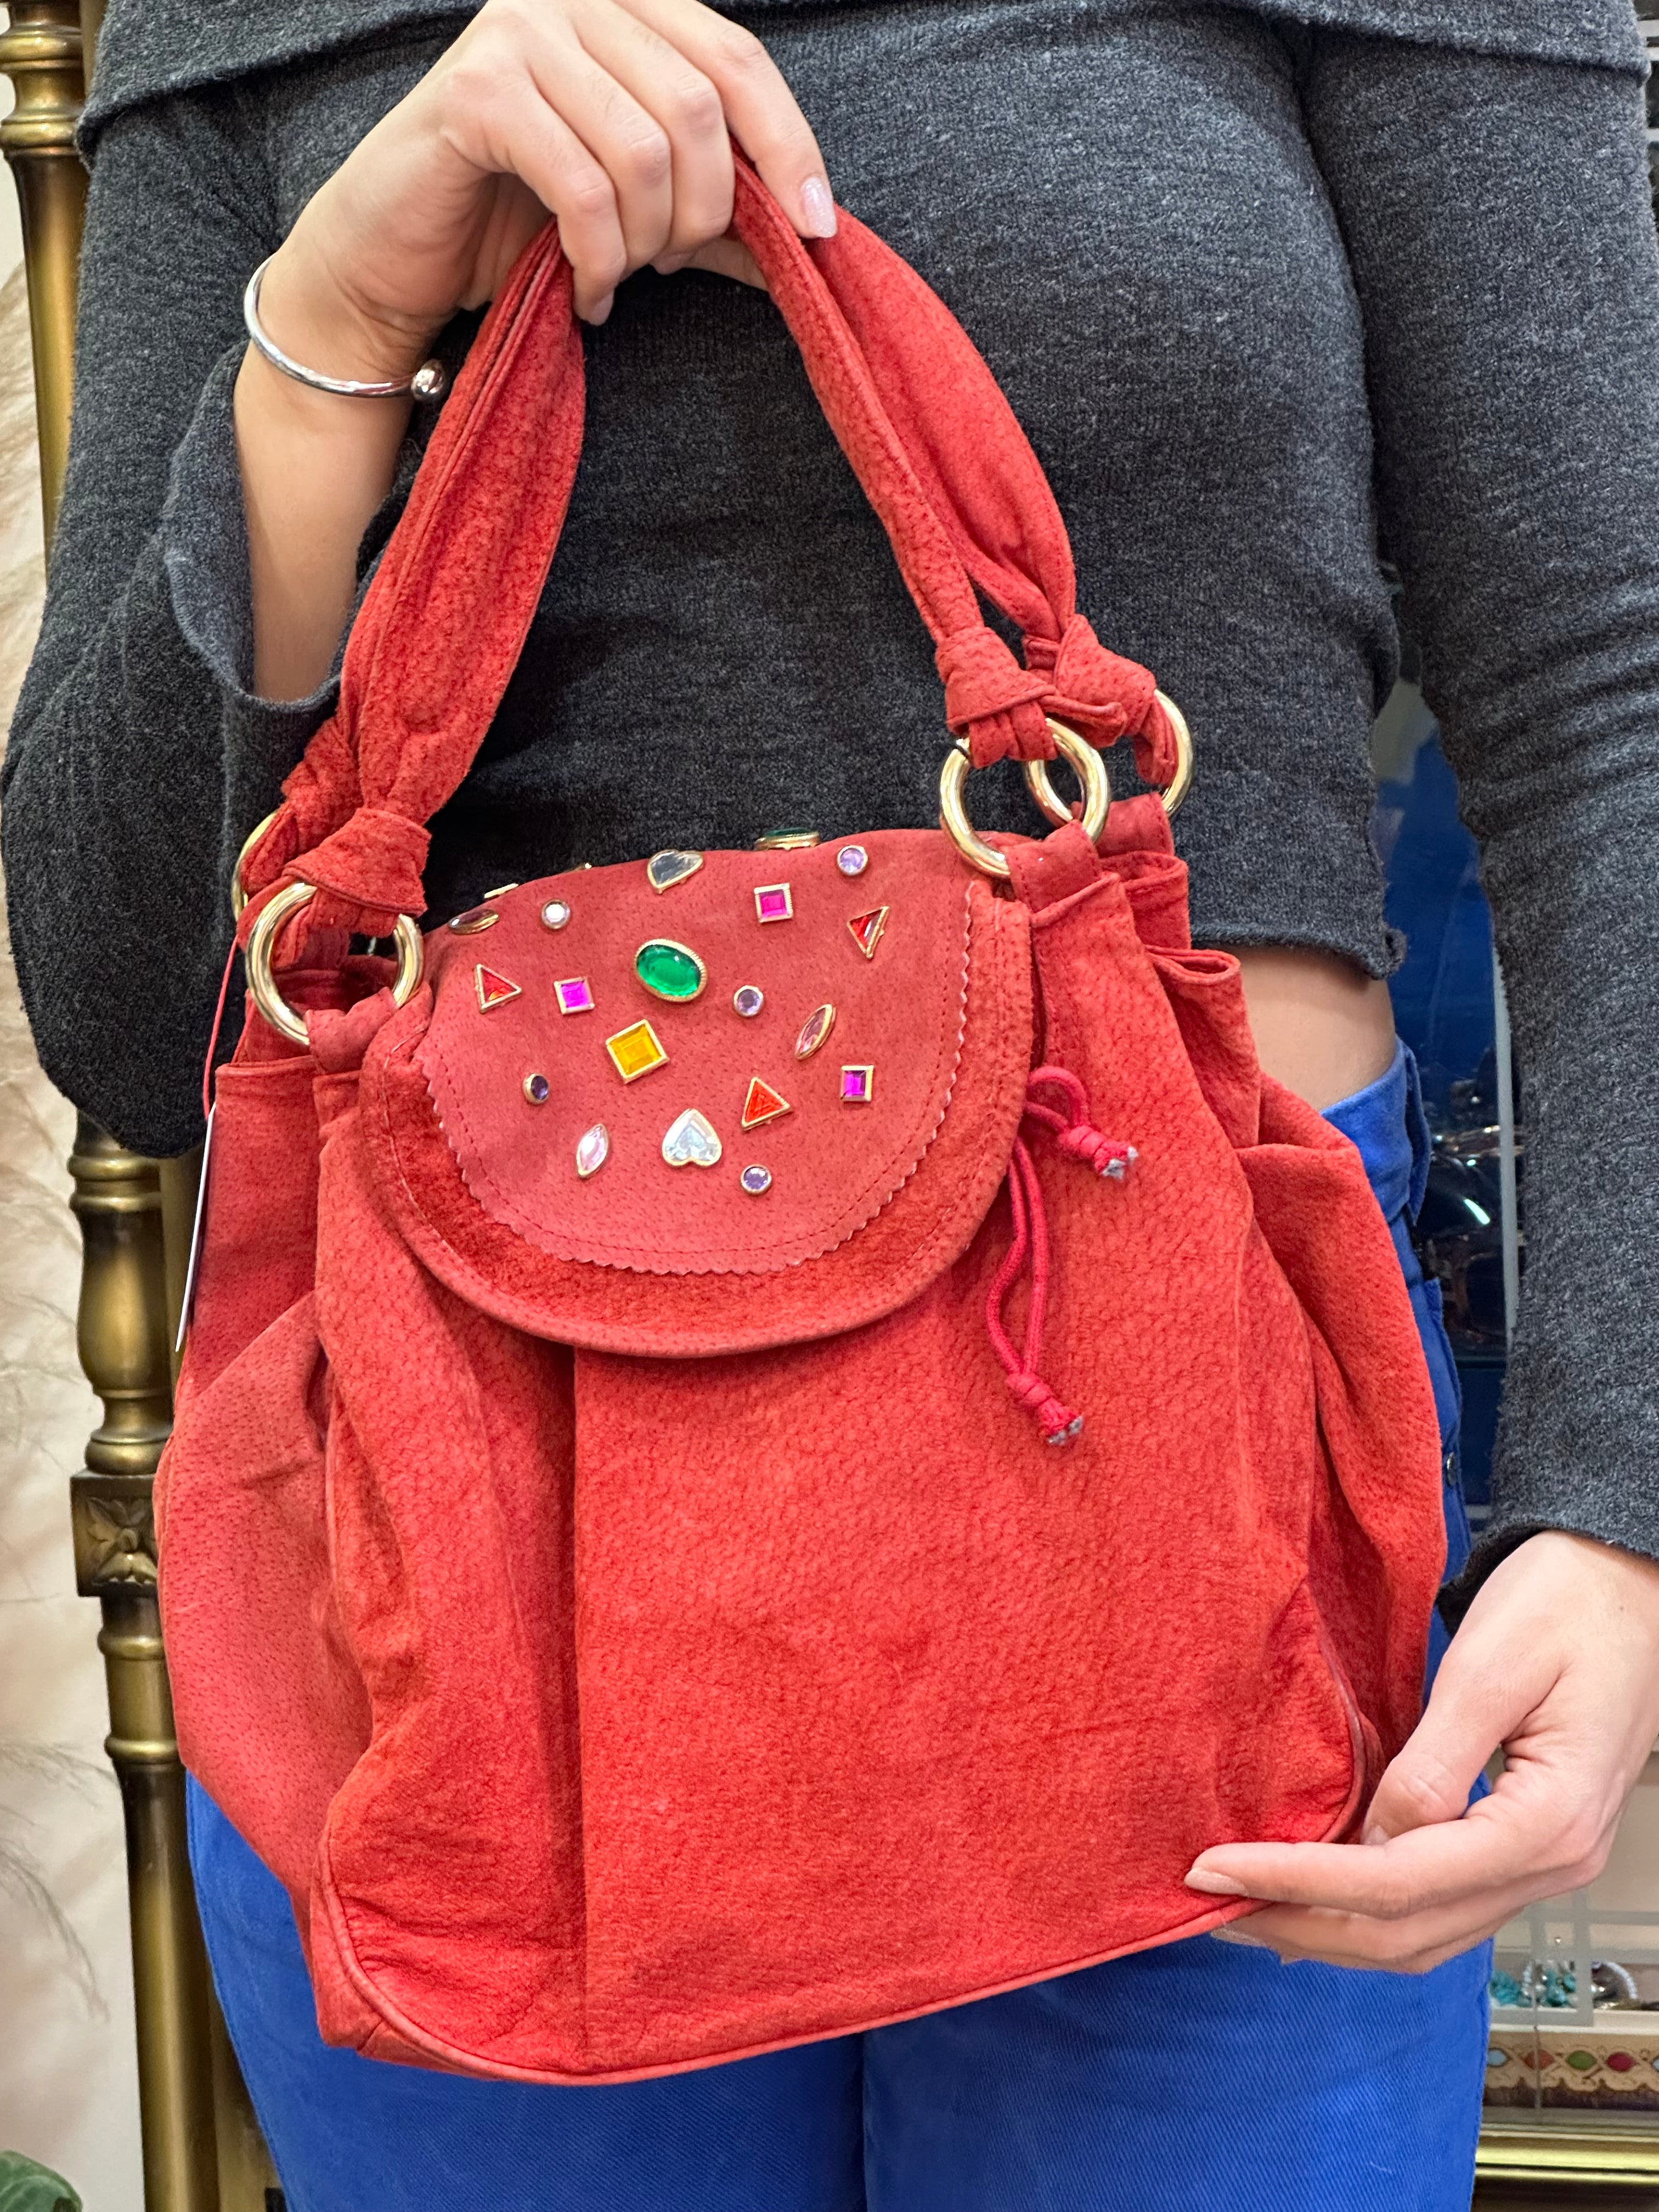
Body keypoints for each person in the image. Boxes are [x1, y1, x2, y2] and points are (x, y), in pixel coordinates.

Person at [7, 0, 1659, 2203]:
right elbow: (129, 1004)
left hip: (1183, 1419)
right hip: (479, 1520)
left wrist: (1628, 1486)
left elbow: (1610, 688)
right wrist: (335, 325)